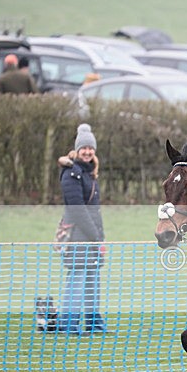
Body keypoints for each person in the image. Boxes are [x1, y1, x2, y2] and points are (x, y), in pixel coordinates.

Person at [56, 124, 107, 334]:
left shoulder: (89, 173)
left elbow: (95, 211)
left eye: (91, 148)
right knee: (77, 279)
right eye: (84, 148)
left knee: (92, 280)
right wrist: (96, 237)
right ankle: (68, 324)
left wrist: (100, 238)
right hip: (77, 236)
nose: (87, 151)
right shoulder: (71, 174)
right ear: (77, 149)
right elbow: (78, 210)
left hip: (93, 236)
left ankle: (94, 324)